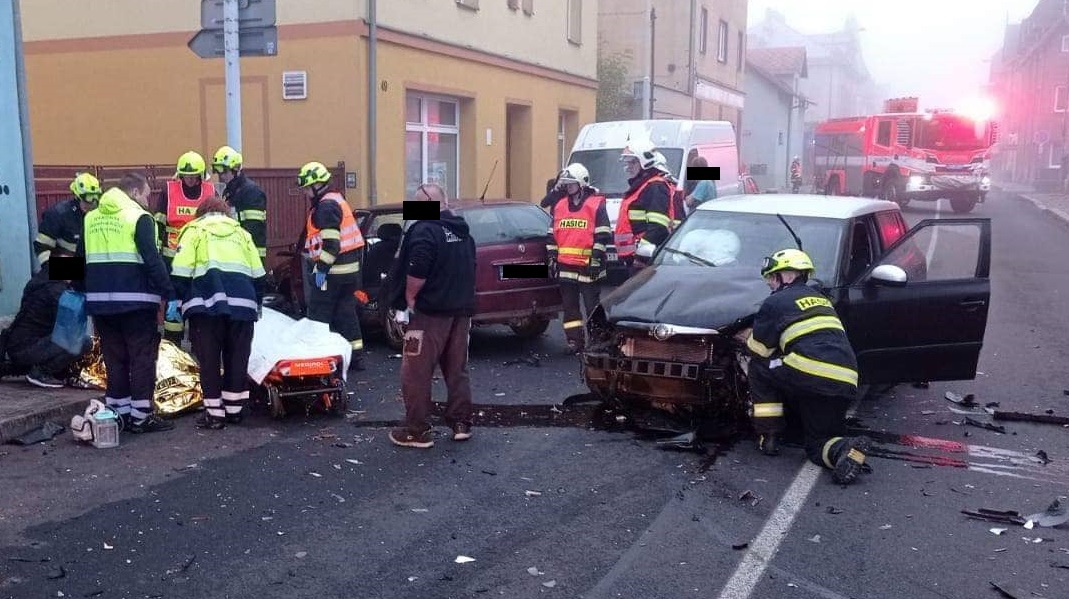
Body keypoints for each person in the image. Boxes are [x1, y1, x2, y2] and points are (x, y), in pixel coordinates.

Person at [744, 248, 871, 485]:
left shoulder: (775, 301)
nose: (770, 283)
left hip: (808, 371)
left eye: (773, 276)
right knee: (818, 443)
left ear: (789, 275)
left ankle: (769, 434)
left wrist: (745, 339)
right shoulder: (823, 300)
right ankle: (845, 449)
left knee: (759, 368)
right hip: (845, 379)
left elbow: (760, 350)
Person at [386, 182, 476, 449]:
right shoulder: (462, 232)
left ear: (429, 203)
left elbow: (418, 268)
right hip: (460, 312)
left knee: (415, 372)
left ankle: (417, 430)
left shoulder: (425, 230)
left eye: (416, 202)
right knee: (456, 369)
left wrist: (410, 297)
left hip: (430, 314)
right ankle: (461, 423)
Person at [84, 172, 176, 433]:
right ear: (134, 192)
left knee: (115, 359)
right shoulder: (139, 217)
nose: (148, 199)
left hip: (101, 304)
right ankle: (141, 417)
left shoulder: (91, 218)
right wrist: (169, 291)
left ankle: (118, 415)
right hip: (136, 303)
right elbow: (152, 258)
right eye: (146, 193)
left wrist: (56, 279)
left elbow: (79, 258)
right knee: (141, 359)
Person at [171, 195, 266, 430]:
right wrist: (257, 303)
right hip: (243, 305)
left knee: (210, 359)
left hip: (206, 307)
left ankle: (214, 414)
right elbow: (259, 274)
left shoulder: (193, 230)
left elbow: (181, 271)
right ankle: (235, 410)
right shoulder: (242, 234)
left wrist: (180, 299)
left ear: (200, 213)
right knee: (237, 357)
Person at [297, 161, 367, 370]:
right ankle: (356, 357)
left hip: (332, 273)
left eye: (306, 188)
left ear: (316, 186)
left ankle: (318, 359)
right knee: (346, 314)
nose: (305, 193)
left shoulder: (325, 207)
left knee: (319, 315)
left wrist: (320, 270)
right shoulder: (337, 200)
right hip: (350, 273)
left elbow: (332, 245)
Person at [546, 163, 612, 354]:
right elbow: (552, 235)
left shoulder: (596, 204)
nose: (568, 187)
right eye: (566, 184)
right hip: (566, 266)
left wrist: (596, 259)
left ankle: (598, 341)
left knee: (592, 307)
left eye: (571, 183)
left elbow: (603, 235)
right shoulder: (559, 206)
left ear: (582, 184)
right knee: (570, 309)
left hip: (588, 267)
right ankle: (575, 342)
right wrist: (552, 257)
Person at [154, 151, 215, 345]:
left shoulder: (210, 191)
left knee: (198, 306)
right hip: (173, 262)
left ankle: (200, 351)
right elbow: (159, 224)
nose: (189, 179)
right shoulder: (168, 191)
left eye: (193, 175)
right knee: (174, 311)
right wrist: (158, 257)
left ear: (200, 175)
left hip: (201, 260)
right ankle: (174, 350)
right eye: (186, 175)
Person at [1, 263, 88, 388]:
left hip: (18, 346)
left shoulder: (40, 282)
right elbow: (74, 321)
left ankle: (13, 368)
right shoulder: (56, 292)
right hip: (27, 348)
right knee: (83, 341)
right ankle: (41, 372)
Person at [616, 140, 673, 272]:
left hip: (644, 261)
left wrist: (641, 256)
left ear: (645, 162)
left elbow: (658, 227)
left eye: (633, 162)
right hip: (634, 258)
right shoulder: (642, 185)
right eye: (628, 162)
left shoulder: (655, 186)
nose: (628, 166)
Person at [211, 146, 268, 261]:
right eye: (219, 172)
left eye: (225, 171)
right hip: (234, 253)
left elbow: (253, 229)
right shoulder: (229, 191)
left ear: (236, 169)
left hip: (250, 255)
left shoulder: (251, 192)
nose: (221, 176)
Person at [34, 172, 102, 265]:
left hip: (90, 270)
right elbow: (41, 246)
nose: (91, 204)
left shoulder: (99, 215)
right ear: (77, 196)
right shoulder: (58, 214)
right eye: (88, 198)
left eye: (95, 197)